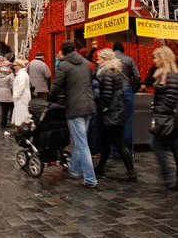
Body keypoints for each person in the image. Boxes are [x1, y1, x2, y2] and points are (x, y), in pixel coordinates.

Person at [49, 41, 97, 188]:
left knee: (82, 144)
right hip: (89, 104)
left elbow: (57, 85)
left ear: (63, 52)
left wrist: (51, 98)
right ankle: (75, 170)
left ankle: (90, 179)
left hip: (76, 107)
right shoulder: (85, 63)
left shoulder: (63, 65)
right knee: (79, 140)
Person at [93, 49, 137, 181]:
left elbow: (106, 95)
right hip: (116, 110)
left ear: (106, 60)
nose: (97, 60)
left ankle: (131, 173)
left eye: (99, 58)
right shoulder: (114, 71)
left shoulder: (106, 73)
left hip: (111, 112)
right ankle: (101, 167)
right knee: (107, 141)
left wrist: (101, 108)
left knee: (118, 143)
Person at [149, 46, 178, 190]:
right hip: (168, 117)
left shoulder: (170, 75)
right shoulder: (163, 74)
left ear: (163, 58)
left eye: (156, 57)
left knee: (156, 144)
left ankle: (166, 174)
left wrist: (160, 110)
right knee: (174, 146)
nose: (154, 60)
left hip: (167, 117)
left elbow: (171, 96)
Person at [112, 42, 141, 156]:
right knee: (127, 121)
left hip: (115, 90)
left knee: (115, 120)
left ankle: (115, 150)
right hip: (127, 88)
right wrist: (133, 88)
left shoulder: (110, 60)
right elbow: (137, 76)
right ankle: (129, 150)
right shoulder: (129, 59)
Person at [12, 58, 31, 126]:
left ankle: (22, 127)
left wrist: (16, 96)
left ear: (21, 66)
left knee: (22, 114)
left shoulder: (22, 75)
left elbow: (21, 87)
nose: (14, 67)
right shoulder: (21, 74)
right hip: (21, 98)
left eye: (16, 65)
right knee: (21, 113)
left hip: (22, 98)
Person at [0, 60, 14, 128]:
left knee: (4, 107)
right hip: (7, 92)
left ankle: (3, 121)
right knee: (7, 108)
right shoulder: (10, 74)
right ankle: (4, 122)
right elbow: (12, 85)